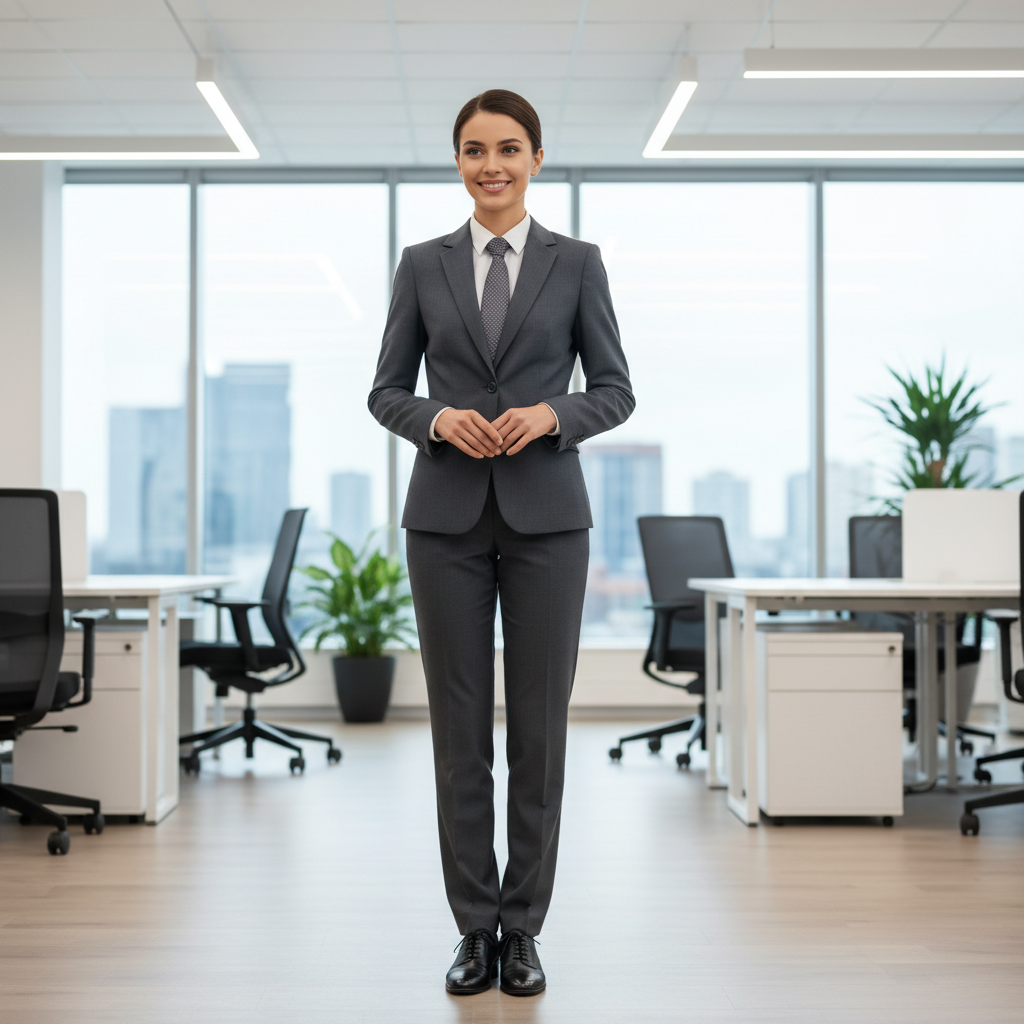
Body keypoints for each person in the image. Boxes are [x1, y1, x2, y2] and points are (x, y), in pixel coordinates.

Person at [368, 89, 634, 997]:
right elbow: (385, 390)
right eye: (476, 150)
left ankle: (523, 929)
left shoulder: (577, 263)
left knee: (540, 734)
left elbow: (615, 388)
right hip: (443, 521)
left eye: (509, 149)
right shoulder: (421, 264)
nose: (492, 165)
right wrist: (437, 418)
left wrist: (552, 414)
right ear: (457, 162)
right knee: (458, 735)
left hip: (548, 522)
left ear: (536, 159)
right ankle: (472, 929)